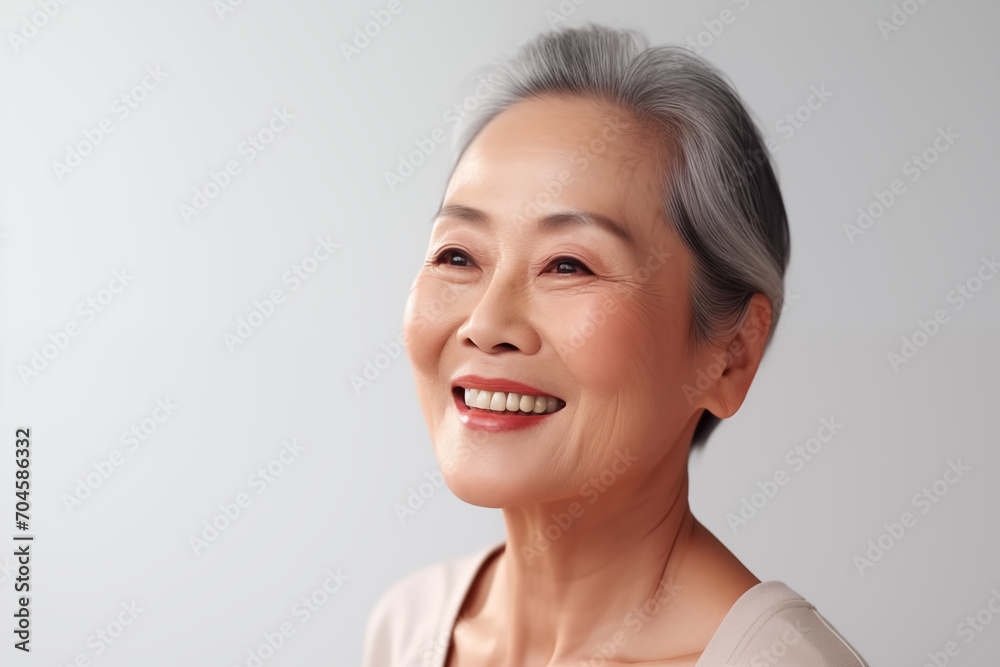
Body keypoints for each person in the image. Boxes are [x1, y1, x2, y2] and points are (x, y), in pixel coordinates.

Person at [363, 24, 869, 667]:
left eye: (568, 265)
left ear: (732, 351)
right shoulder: (407, 626)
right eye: (457, 255)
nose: (487, 323)